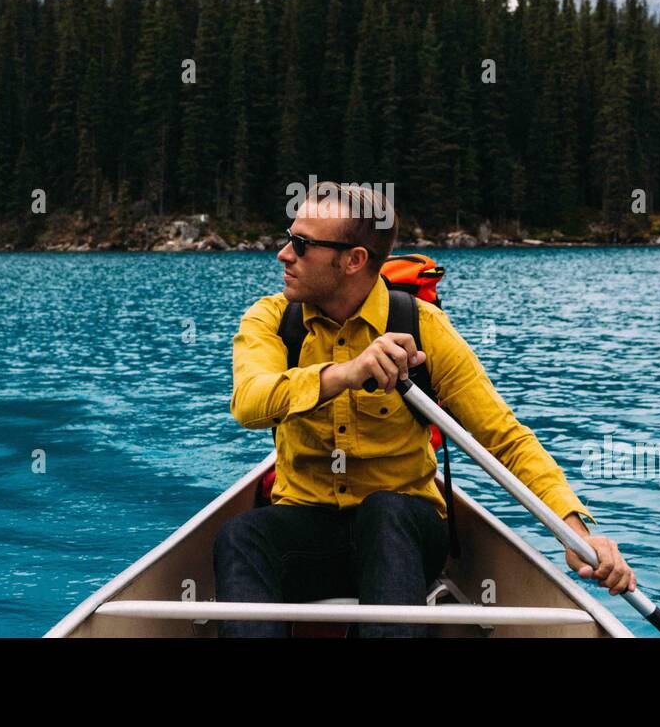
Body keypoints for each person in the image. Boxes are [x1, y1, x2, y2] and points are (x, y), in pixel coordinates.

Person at [213, 180, 635, 637]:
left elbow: (504, 439)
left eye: (301, 243)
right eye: (288, 236)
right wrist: (347, 373)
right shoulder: (270, 319)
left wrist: (577, 534)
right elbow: (250, 403)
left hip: (407, 533)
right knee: (240, 535)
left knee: (385, 513)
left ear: (354, 260)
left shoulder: (425, 327)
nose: (283, 254)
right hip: (309, 527)